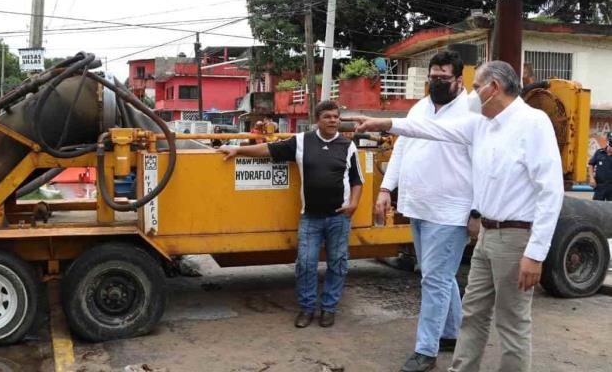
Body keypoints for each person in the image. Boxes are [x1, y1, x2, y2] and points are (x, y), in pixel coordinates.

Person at [345, 61, 564, 372]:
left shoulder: (532, 123)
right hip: (487, 235)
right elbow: (432, 129)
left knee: (512, 322)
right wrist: (385, 124)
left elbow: (550, 192)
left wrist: (536, 253)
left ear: (494, 88)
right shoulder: (481, 124)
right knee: (473, 314)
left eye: (476, 88)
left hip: (516, 238)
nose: (472, 94)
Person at [221, 100, 363, 328]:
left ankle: (328, 309)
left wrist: (353, 204)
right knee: (305, 264)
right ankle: (306, 309)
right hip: (310, 217)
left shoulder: (348, 146)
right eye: (328, 117)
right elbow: (269, 149)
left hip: (339, 217)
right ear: (317, 120)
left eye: (336, 117)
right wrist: (238, 149)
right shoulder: (302, 141)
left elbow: (357, 180)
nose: (333, 120)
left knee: (338, 263)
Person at [380, 52, 473, 372]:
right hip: (417, 206)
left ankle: (425, 350)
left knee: (433, 279)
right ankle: (451, 333)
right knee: (439, 277)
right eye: (432, 78)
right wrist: (384, 189)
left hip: (450, 212)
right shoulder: (420, 107)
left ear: (459, 79)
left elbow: (484, 165)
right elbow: (401, 149)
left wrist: (476, 211)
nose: (435, 83)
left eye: (442, 79)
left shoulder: (472, 111)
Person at [588, 133, 612, 200]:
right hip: (600, 186)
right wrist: (591, 178)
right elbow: (591, 164)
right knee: (596, 207)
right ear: (608, 142)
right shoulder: (599, 152)